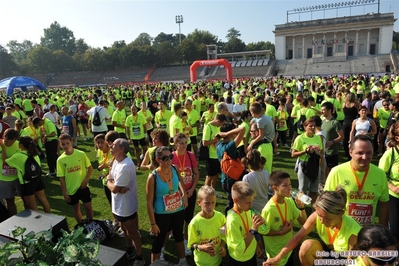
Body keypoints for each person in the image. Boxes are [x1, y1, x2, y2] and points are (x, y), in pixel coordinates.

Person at [264, 188, 361, 266]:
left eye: (328, 219)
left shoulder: (353, 232)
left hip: (345, 260)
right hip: (329, 252)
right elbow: (298, 237)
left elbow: (350, 261)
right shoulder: (317, 216)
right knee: (307, 246)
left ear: (341, 213)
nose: (322, 221)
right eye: (320, 216)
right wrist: (278, 257)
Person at [325, 134, 389, 226]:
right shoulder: (337, 172)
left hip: (367, 232)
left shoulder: (380, 174)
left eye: (369, 153)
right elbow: (327, 202)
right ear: (351, 152)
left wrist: (384, 229)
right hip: (343, 229)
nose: (365, 157)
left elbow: (383, 205)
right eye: (360, 153)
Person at [145, 146, 189, 265]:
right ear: (158, 160)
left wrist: (184, 195)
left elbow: (180, 182)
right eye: (165, 158)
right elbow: (149, 202)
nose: (169, 160)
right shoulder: (153, 177)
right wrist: (153, 224)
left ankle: (182, 260)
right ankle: (155, 264)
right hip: (161, 213)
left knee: (179, 235)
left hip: (178, 209)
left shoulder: (174, 169)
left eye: (171, 156)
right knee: (159, 240)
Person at [106, 138, 145, 265]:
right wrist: (112, 183)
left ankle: (140, 258)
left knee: (133, 232)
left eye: (114, 145)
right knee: (124, 229)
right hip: (119, 206)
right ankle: (129, 251)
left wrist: (109, 183)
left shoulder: (125, 166)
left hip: (126, 206)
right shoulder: (117, 161)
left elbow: (114, 188)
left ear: (122, 149)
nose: (111, 146)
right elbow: (110, 177)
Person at [261, 170, 307, 266]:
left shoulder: (289, 201)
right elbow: (262, 231)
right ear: (275, 188)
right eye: (285, 185)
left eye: (290, 184)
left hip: (288, 249)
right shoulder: (269, 209)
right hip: (274, 254)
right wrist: (280, 232)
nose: (290, 188)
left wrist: (301, 207)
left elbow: (303, 222)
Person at [226, 181, 268, 266]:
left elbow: (262, 231)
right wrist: (253, 229)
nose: (251, 205)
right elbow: (240, 249)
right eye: (248, 202)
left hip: (250, 254)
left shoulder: (247, 211)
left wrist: (256, 246)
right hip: (239, 259)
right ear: (236, 200)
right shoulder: (232, 220)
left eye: (252, 201)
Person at [5, 136, 51, 213]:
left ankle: (39, 224)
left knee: (33, 207)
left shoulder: (18, 156)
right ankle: (51, 219)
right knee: (44, 201)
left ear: (21, 145)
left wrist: (3, 148)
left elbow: (5, 162)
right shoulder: (34, 153)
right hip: (37, 179)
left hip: (27, 183)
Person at [172, 133, 200, 256]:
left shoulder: (190, 155)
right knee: (176, 218)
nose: (184, 145)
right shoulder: (171, 157)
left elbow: (197, 174)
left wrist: (192, 189)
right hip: (176, 194)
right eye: (181, 143)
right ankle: (176, 236)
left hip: (190, 192)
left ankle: (186, 240)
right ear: (175, 144)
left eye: (185, 143)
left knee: (188, 219)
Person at [57, 133, 94, 224]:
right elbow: (61, 177)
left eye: (67, 143)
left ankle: (92, 224)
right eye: (63, 144)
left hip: (83, 187)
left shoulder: (81, 154)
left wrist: (86, 181)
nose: (65, 146)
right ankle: (81, 225)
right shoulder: (60, 160)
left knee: (88, 207)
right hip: (71, 189)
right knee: (76, 208)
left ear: (72, 142)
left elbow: (90, 168)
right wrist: (64, 192)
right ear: (60, 145)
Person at [187, 185, 227, 266]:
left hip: (217, 261)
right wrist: (200, 247)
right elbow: (191, 243)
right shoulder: (194, 223)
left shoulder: (220, 218)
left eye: (213, 202)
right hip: (202, 262)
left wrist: (222, 246)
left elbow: (224, 234)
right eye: (207, 203)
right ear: (199, 203)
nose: (210, 206)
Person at [291, 118, 323, 205]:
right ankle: (300, 209)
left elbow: (322, 153)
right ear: (305, 127)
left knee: (314, 190)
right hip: (303, 165)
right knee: (302, 190)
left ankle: (313, 210)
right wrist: (305, 151)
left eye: (314, 126)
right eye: (310, 126)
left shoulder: (318, 138)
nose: (313, 128)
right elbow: (293, 154)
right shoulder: (300, 138)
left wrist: (317, 151)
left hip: (315, 165)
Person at [216, 122, 245, 214]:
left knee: (231, 200)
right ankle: (228, 218)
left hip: (225, 179)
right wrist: (227, 134)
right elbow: (243, 129)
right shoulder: (230, 147)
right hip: (232, 180)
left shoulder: (219, 144)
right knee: (234, 202)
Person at [378, 121, 399, 240]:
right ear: (397, 138)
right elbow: (381, 176)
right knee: (395, 231)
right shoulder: (390, 154)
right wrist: (393, 187)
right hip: (393, 197)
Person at [202, 114, 227, 196]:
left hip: (218, 155)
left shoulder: (217, 127)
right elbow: (204, 143)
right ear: (218, 121)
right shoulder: (208, 127)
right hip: (210, 156)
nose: (221, 126)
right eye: (221, 124)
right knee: (209, 176)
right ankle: (205, 194)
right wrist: (216, 140)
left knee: (215, 175)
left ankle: (212, 191)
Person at [320, 101, 344, 181]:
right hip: (323, 151)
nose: (322, 111)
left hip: (332, 151)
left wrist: (331, 142)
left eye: (323, 110)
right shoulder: (322, 122)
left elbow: (341, 137)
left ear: (329, 110)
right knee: (324, 170)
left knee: (331, 171)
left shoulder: (335, 123)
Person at [0, 129, 21, 215]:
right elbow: (5, 162)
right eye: (6, 140)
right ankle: (11, 219)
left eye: (10, 142)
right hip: (4, 178)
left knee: (26, 199)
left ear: (15, 139)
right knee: (9, 201)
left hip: (17, 178)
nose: (7, 143)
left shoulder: (19, 145)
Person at [241, 149, 270, 214]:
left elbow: (245, 194)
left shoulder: (247, 177)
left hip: (253, 208)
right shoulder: (266, 173)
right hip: (265, 205)